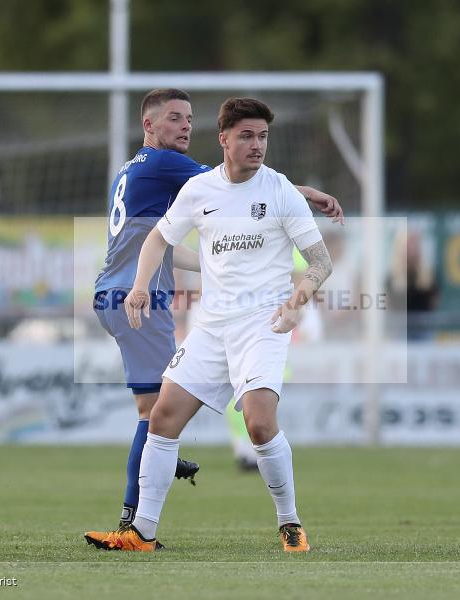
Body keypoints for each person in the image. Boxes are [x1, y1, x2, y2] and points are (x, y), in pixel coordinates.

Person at [85, 97, 334, 553]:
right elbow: (158, 236)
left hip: (263, 324)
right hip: (212, 326)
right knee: (160, 418)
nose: (257, 145)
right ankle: (141, 532)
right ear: (224, 140)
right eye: (246, 136)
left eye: (262, 136)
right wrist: (140, 286)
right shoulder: (198, 189)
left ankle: (290, 523)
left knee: (259, 426)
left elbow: (320, 261)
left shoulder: (278, 189)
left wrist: (298, 301)